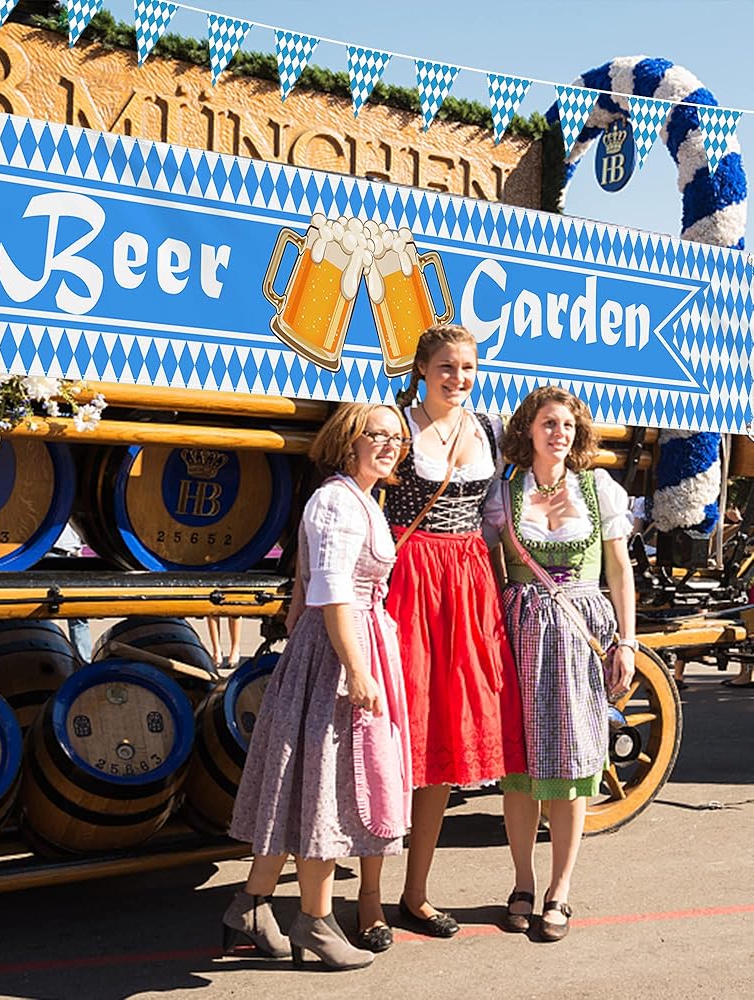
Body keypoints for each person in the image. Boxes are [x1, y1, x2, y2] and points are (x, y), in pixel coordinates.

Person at [224, 403, 413, 970]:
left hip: (352, 639)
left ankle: (251, 906)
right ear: (349, 439)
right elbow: (333, 592)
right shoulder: (336, 501)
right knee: (324, 787)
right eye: (378, 435)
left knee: (303, 786)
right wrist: (356, 668)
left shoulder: (360, 498)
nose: (391, 445)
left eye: (398, 438)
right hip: (336, 650)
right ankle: (315, 921)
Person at [372, 324, 526, 939]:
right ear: (421, 369)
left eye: (467, 367)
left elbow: (501, 511)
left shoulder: (488, 428)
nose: (458, 378)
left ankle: (416, 893)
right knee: (391, 737)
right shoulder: (397, 426)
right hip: (409, 576)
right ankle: (368, 899)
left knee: (443, 736)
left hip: (467, 579)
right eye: (446, 366)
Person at [483, 385, 636, 941]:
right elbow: (486, 566)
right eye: (549, 423)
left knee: (573, 766)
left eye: (568, 425)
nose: (559, 433)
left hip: (578, 639)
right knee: (521, 770)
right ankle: (523, 882)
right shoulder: (504, 493)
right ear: (529, 428)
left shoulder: (598, 489)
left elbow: (619, 571)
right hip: (521, 634)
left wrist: (627, 642)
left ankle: (560, 889)